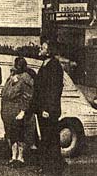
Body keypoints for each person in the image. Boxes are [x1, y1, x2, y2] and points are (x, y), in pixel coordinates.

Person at [33, 40, 67, 176]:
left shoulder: (55, 66)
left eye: (43, 48)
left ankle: (52, 169)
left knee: (50, 139)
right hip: (42, 108)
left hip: (49, 110)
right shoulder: (44, 64)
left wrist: (47, 109)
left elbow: (54, 90)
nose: (40, 49)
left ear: (49, 51)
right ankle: (49, 166)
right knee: (46, 138)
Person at [1, 57, 34, 167]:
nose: (12, 67)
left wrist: (23, 111)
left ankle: (21, 158)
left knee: (21, 135)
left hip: (17, 111)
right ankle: (13, 157)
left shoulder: (25, 78)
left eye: (14, 65)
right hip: (8, 111)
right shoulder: (12, 77)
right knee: (12, 135)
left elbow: (28, 96)